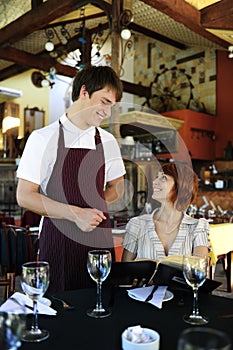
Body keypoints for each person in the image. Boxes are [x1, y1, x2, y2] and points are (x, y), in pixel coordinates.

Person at [16, 65, 126, 292]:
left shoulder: (107, 141)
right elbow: (25, 196)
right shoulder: (42, 138)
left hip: (97, 239)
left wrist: (94, 209)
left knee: (100, 307)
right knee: (60, 310)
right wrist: (76, 214)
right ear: (84, 92)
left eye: (112, 106)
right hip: (58, 238)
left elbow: (118, 186)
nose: (107, 112)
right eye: (104, 102)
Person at [121, 161, 209, 262]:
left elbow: (199, 271)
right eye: (156, 177)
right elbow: (126, 270)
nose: (154, 182)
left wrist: (152, 263)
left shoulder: (197, 227)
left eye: (163, 178)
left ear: (180, 186)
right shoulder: (137, 224)